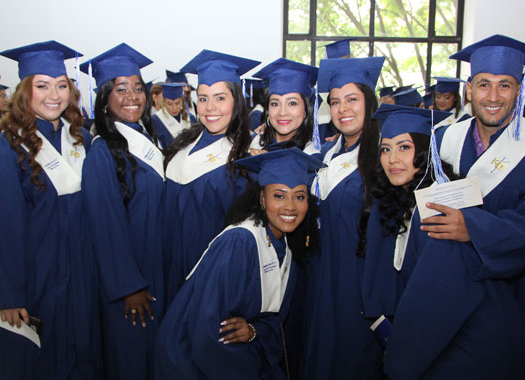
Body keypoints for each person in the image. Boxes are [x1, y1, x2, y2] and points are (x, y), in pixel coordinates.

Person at [368, 104, 525, 379]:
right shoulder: (414, 197)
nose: (392, 159)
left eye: (404, 147)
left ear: (425, 150)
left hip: (477, 348)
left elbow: (435, 304)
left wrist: (399, 357)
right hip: (456, 339)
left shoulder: (441, 207)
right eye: (385, 149)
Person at [0, 40, 102, 379]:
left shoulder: (81, 141)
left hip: (80, 279)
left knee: (80, 357)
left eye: (61, 85)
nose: (54, 95)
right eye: (42, 85)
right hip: (36, 283)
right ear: (23, 91)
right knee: (37, 365)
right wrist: (7, 295)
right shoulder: (3, 151)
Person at [433, 34, 525, 323]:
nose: (493, 97)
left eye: (504, 85)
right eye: (484, 84)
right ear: (469, 90)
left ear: (519, 90)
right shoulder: (443, 141)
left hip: (504, 298)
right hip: (440, 288)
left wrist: (473, 228)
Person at [155, 148, 322, 380]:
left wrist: (254, 331)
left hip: (237, 353)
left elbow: (270, 320)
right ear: (262, 199)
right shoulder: (240, 242)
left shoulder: (285, 246)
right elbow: (208, 329)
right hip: (193, 361)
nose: (290, 207)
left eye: (299, 196)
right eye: (279, 195)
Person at [79, 42, 163, 380]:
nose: (132, 96)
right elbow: (106, 223)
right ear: (104, 97)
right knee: (129, 356)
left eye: (138, 88)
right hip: (131, 281)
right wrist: (128, 286)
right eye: (121, 88)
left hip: (153, 265)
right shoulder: (103, 151)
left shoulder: (144, 137)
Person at [302, 56, 385, 380]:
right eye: (334, 102)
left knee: (353, 361)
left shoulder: (383, 157)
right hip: (321, 279)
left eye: (352, 99)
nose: (342, 109)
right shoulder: (325, 155)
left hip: (359, 287)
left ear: (369, 102)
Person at [162, 49, 259, 305]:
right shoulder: (182, 144)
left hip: (212, 277)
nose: (210, 108)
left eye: (220, 98)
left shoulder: (246, 160)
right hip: (170, 269)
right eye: (203, 98)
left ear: (237, 102)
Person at [249, 58, 320, 157]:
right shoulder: (253, 142)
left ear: (305, 110)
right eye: (275, 104)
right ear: (268, 110)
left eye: (292, 103)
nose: (282, 113)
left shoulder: (310, 156)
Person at [152, 82, 196, 149]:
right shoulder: (156, 120)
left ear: (182, 101)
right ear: (164, 102)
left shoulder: (190, 118)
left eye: (177, 103)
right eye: (169, 104)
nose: (174, 108)